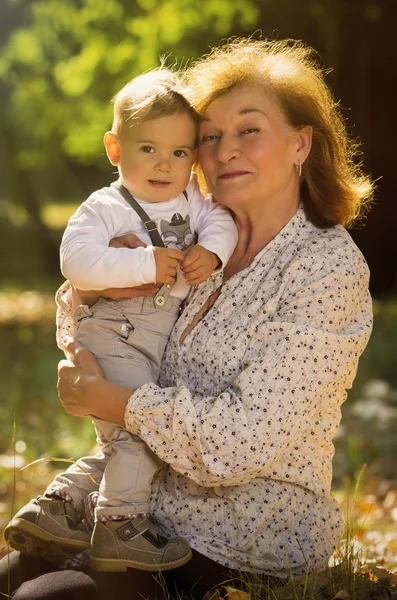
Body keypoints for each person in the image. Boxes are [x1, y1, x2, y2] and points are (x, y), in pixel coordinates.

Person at [1, 37, 374, 600]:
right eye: (209, 137)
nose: (224, 150)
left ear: (301, 143)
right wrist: (113, 277)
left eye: (249, 129)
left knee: (42, 599)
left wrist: (113, 401)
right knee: (7, 577)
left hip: (247, 535)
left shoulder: (326, 268)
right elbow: (99, 320)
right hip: (146, 505)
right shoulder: (197, 238)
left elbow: (241, 442)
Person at [4, 68, 238, 573]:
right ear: (115, 149)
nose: (163, 164)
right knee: (139, 434)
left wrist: (212, 252)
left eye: (179, 153)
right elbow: (77, 261)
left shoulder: (193, 202)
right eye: (147, 148)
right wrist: (143, 264)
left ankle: (57, 508)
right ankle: (119, 526)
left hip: (147, 340)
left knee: (123, 437)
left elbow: (221, 220)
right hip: (115, 332)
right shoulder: (106, 206)